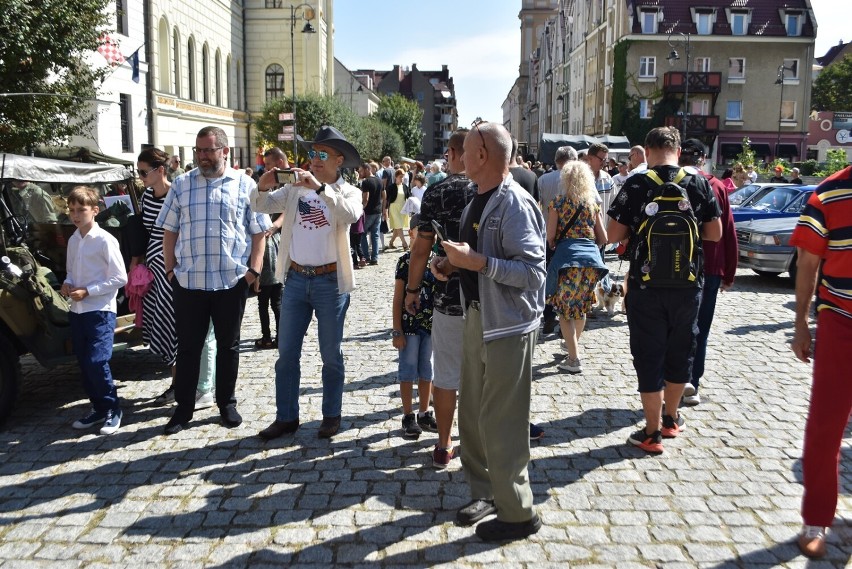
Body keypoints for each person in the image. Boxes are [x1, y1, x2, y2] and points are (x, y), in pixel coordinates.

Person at [435, 120, 545, 541]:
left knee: (503, 421)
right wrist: (450, 267)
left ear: (482, 155)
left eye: (466, 149)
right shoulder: (474, 201)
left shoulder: (514, 203)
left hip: (509, 327)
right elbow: (476, 260)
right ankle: (487, 492)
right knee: (474, 416)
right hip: (477, 317)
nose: (458, 155)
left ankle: (518, 513)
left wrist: (477, 264)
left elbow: (534, 274)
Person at [607, 126, 722, 454]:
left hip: (645, 285)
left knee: (649, 353)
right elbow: (713, 234)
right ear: (677, 148)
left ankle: (652, 432)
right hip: (687, 284)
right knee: (680, 350)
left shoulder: (637, 183)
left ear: (648, 149)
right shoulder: (698, 181)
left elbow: (614, 233)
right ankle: (671, 419)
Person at [251, 125, 363, 440]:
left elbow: (350, 215)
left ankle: (331, 415)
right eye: (312, 153)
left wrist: (319, 189)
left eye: (322, 154)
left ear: (338, 160)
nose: (314, 159)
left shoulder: (347, 191)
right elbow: (260, 206)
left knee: (331, 354)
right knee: (286, 353)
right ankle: (286, 417)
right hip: (297, 279)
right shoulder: (295, 188)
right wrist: (262, 185)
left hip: (330, 281)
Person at [157, 126, 271, 435]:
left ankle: (226, 403)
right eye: (198, 151)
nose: (202, 156)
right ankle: (183, 409)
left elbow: (259, 231)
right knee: (189, 349)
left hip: (230, 281)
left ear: (225, 151)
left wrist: (254, 272)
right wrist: (170, 270)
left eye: (208, 150)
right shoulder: (181, 185)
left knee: (228, 346)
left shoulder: (245, 185)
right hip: (189, 282)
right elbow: (169, 229)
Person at [789, 165, 852, 559]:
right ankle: (816, 519)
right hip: (840, 320)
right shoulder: (828, 194)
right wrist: (800, 323)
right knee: (827, 423)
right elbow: (808, 264)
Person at [405, 129, 472, 469]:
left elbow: (420, 250)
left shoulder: (437, 191)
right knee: (485, 373)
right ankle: (478, 442)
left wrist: (412, 291)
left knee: (445, 373)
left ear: (452, 152)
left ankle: (444, 443)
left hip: (448, 296)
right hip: (491, 296)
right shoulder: (494, 188)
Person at [61, 186, 128, 435]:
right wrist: (68, 283)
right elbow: (70, 271)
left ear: (95, 211)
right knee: (84, 362)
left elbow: (120, 278)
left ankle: (113, 409)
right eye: (72, 210)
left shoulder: (104, 240)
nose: (76, 215)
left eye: (81, 210)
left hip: (100, 310)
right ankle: (98, 408)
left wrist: (89, 291)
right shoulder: (73, 239)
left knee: (97, 361)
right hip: (77, 310)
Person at [678, 139, 738, 407]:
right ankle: (693, 382)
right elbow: (728, 231)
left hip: (675, 265)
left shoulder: (670, 183)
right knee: (700, 329)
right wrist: (729, 272)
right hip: (709, 266)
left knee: (674, 326)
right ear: (703, 158)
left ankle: (672, 380)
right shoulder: (716, 187)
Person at [546, 161, 609, 374]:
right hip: (591, 261)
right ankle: (570, 345)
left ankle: (574, 359)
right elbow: (604, 238)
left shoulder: (557, 203)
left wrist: (559, 243)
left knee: (565, 311)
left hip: (567, 261)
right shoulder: (593, 205)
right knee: (580, 307)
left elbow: (550, 236)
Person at [392, 226, 437, 438]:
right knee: (408, 370)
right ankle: (408, 415)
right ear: (411, 234)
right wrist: (396, 330)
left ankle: (424, 412)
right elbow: (398, 298)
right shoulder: (405, 261)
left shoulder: (436, 259)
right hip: (409, 327)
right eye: (420, 233)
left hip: (430, 325)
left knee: (426, 369)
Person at [537, 145, 578, 334]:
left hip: (549, 236)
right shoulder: (580, 180)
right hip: (572, 239)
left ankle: (548, 317)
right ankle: (566, 322)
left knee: (549, 278)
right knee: (568, 280)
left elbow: (540, 206)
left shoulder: (544, 179)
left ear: (556, 161)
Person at [358, 162, 384, 266]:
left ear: (367, 169)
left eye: (361, 170)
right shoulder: (379, 180)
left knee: (362, 233)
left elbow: (366, 198)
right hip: (378, 211)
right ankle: (375, 257)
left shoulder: (366, 182)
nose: (360, 173)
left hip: (368, 212)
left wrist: (361, 208)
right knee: (375, 235)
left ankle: (366, 256)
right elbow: (384, 196)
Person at [384, 168, 410, 251]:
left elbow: (408, 197)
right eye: (400, 177)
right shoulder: (391, 187)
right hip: (394, 207)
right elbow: (387, 199)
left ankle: (391, 243)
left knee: (397, 228)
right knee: (398, 226)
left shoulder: (405, 186)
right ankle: (404, 244)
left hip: (402, 208)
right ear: (396, 177)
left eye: (403, 177)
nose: (401, 178)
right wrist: (385, 209)